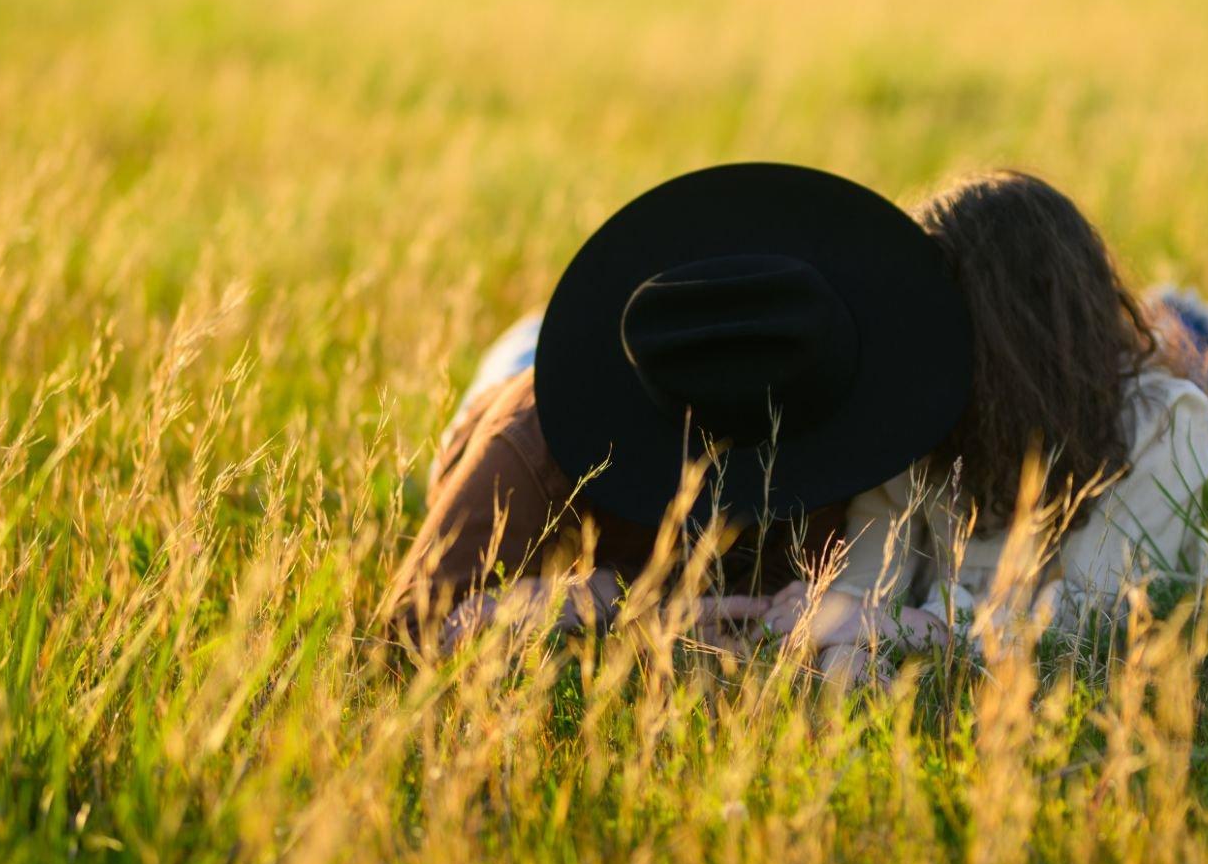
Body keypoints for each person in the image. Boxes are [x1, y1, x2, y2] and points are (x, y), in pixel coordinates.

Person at [385, 162, 973, 658]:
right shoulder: (536, 438)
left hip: (696, 329)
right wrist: (597, 602)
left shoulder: (832, 401)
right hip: (539, 359)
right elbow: (408, 632)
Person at [763, 171, 1208, 672]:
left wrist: (919, 628)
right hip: (1063, 371)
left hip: (1118, 389)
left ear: (1011, 344)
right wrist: (803, 631)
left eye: (943, 320)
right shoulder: (919, 410)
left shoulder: (1161, 423)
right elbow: (863, 597)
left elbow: (1092, 617)